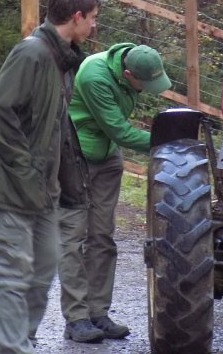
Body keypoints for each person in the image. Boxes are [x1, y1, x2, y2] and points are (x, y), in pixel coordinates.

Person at [0, 0, 102, 354]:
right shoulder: (32, 53)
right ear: (76, 17)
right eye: (92, 18)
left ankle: (24, 340)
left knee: (43, 267)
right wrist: (24, 173)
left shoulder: (62, 60)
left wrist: (63, 184)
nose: (94, 26)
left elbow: (56, 128)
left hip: (41, 190)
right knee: (11, 274)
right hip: (7, 186)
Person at [58, 42, 171, 343]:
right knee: (73, 237)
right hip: (77, 158)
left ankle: (98, 313)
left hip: (107, 158)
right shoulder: (95, 76)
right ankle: (76, 319)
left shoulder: (137, 61)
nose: (146, 90)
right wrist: (169, 139)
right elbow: (118, 130)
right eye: (143, 84)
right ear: (128, 73)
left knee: (102, 237)